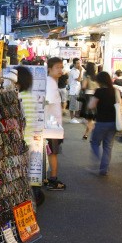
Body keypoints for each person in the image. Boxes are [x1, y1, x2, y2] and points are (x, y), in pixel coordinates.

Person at [89, 71, 118, 176]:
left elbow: (91, 105)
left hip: (101, 121)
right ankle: (104, 169)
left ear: (100, 81)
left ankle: (99, 161)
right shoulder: (115, 91)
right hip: (113, 122)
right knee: (108, 146)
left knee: (95, 143)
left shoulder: (99, 91)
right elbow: (121, 105)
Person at [45, 57, 67, 190]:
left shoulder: (52, 82)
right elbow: (47, 102)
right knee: (52, 153)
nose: (60, 69)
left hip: (52, 125)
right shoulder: (50, 83)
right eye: (57, 67)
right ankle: (53, 179)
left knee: (51, 152)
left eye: (61, 67)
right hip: (51, 126)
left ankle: (49, 178)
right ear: (50, 69)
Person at [79, 62, 99, 139]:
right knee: (92, 118)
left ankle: (93, 131)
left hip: (88, 96)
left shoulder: (86, 75)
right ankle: (86, 134)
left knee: (88, 118)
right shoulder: (97, 76)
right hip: (96, 96)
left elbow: (84, 86)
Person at [68, 58, 82, 123]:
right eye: (77, 63)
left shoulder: (77, 70)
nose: (79, 64)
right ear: (74, 64)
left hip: (76, 90)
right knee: (72, 105)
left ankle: (73, 118)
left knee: (75, 105)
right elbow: (79, 79)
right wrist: (81, 71)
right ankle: (72, 118)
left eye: (79, 63)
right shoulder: (74, 71)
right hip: (73, 91)